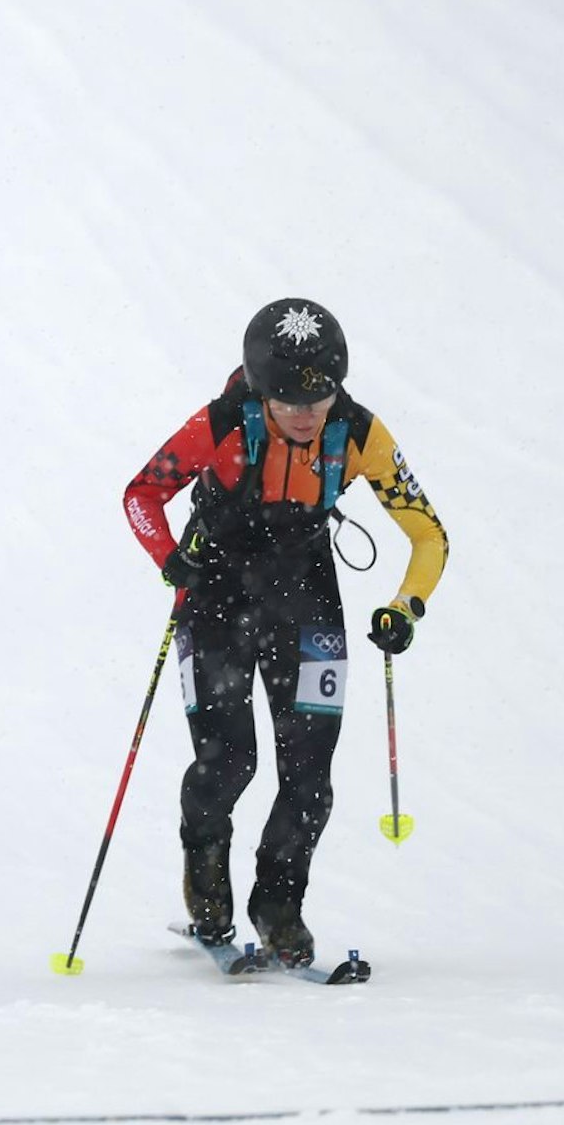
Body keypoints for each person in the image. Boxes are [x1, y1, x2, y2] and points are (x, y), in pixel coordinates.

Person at [122, 298, 448, 967]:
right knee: (228, 760)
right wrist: (169, 560)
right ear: (259, 390)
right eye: (285, 399)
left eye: (319, 398)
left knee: (309, 776)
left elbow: (427, 534)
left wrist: (404, 607)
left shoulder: (359, 433)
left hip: (304, 594)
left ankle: (278, 906)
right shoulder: (220, 422)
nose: (304, 413)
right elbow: (140, 494)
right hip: (215, 589)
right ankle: (206, 882)